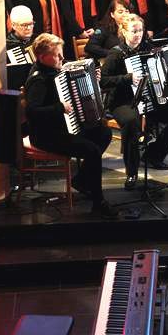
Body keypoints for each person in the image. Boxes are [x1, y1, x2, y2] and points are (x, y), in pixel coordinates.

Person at [24, 34, 117, 219]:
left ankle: (81, 181)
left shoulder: (55, 70)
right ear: (42, 57)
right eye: (57, 55)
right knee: (92, 151)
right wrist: (59, 108)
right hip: (46, 135)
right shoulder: (38, 79)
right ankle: (98, 202)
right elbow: (32, 112)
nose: (62, 58)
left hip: (64, 128)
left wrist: (94, 78)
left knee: (104, 133)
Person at [101, 15, 168, 186]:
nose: (138, 34)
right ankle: (131, 172)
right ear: (124, 31)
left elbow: (166, 67)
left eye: (140, 30)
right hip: (123, 100)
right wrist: (127, 78)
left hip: (149, 96)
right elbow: (103, 81)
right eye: (134, 31)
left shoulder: (149, 48)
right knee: (131, 121)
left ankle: (153, 155)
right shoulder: (115, 53)